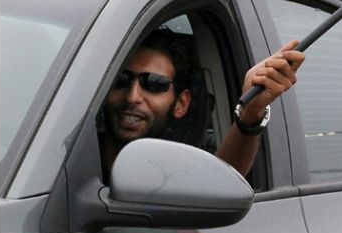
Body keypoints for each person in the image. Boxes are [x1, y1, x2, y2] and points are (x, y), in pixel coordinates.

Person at [100, 27, 305, 177]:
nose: (132, 96)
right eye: (121, 81)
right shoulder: (69, 158)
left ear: (181, 103)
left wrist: (251, 112)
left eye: (154, 84)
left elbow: (220, 184)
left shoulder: (180, 176)